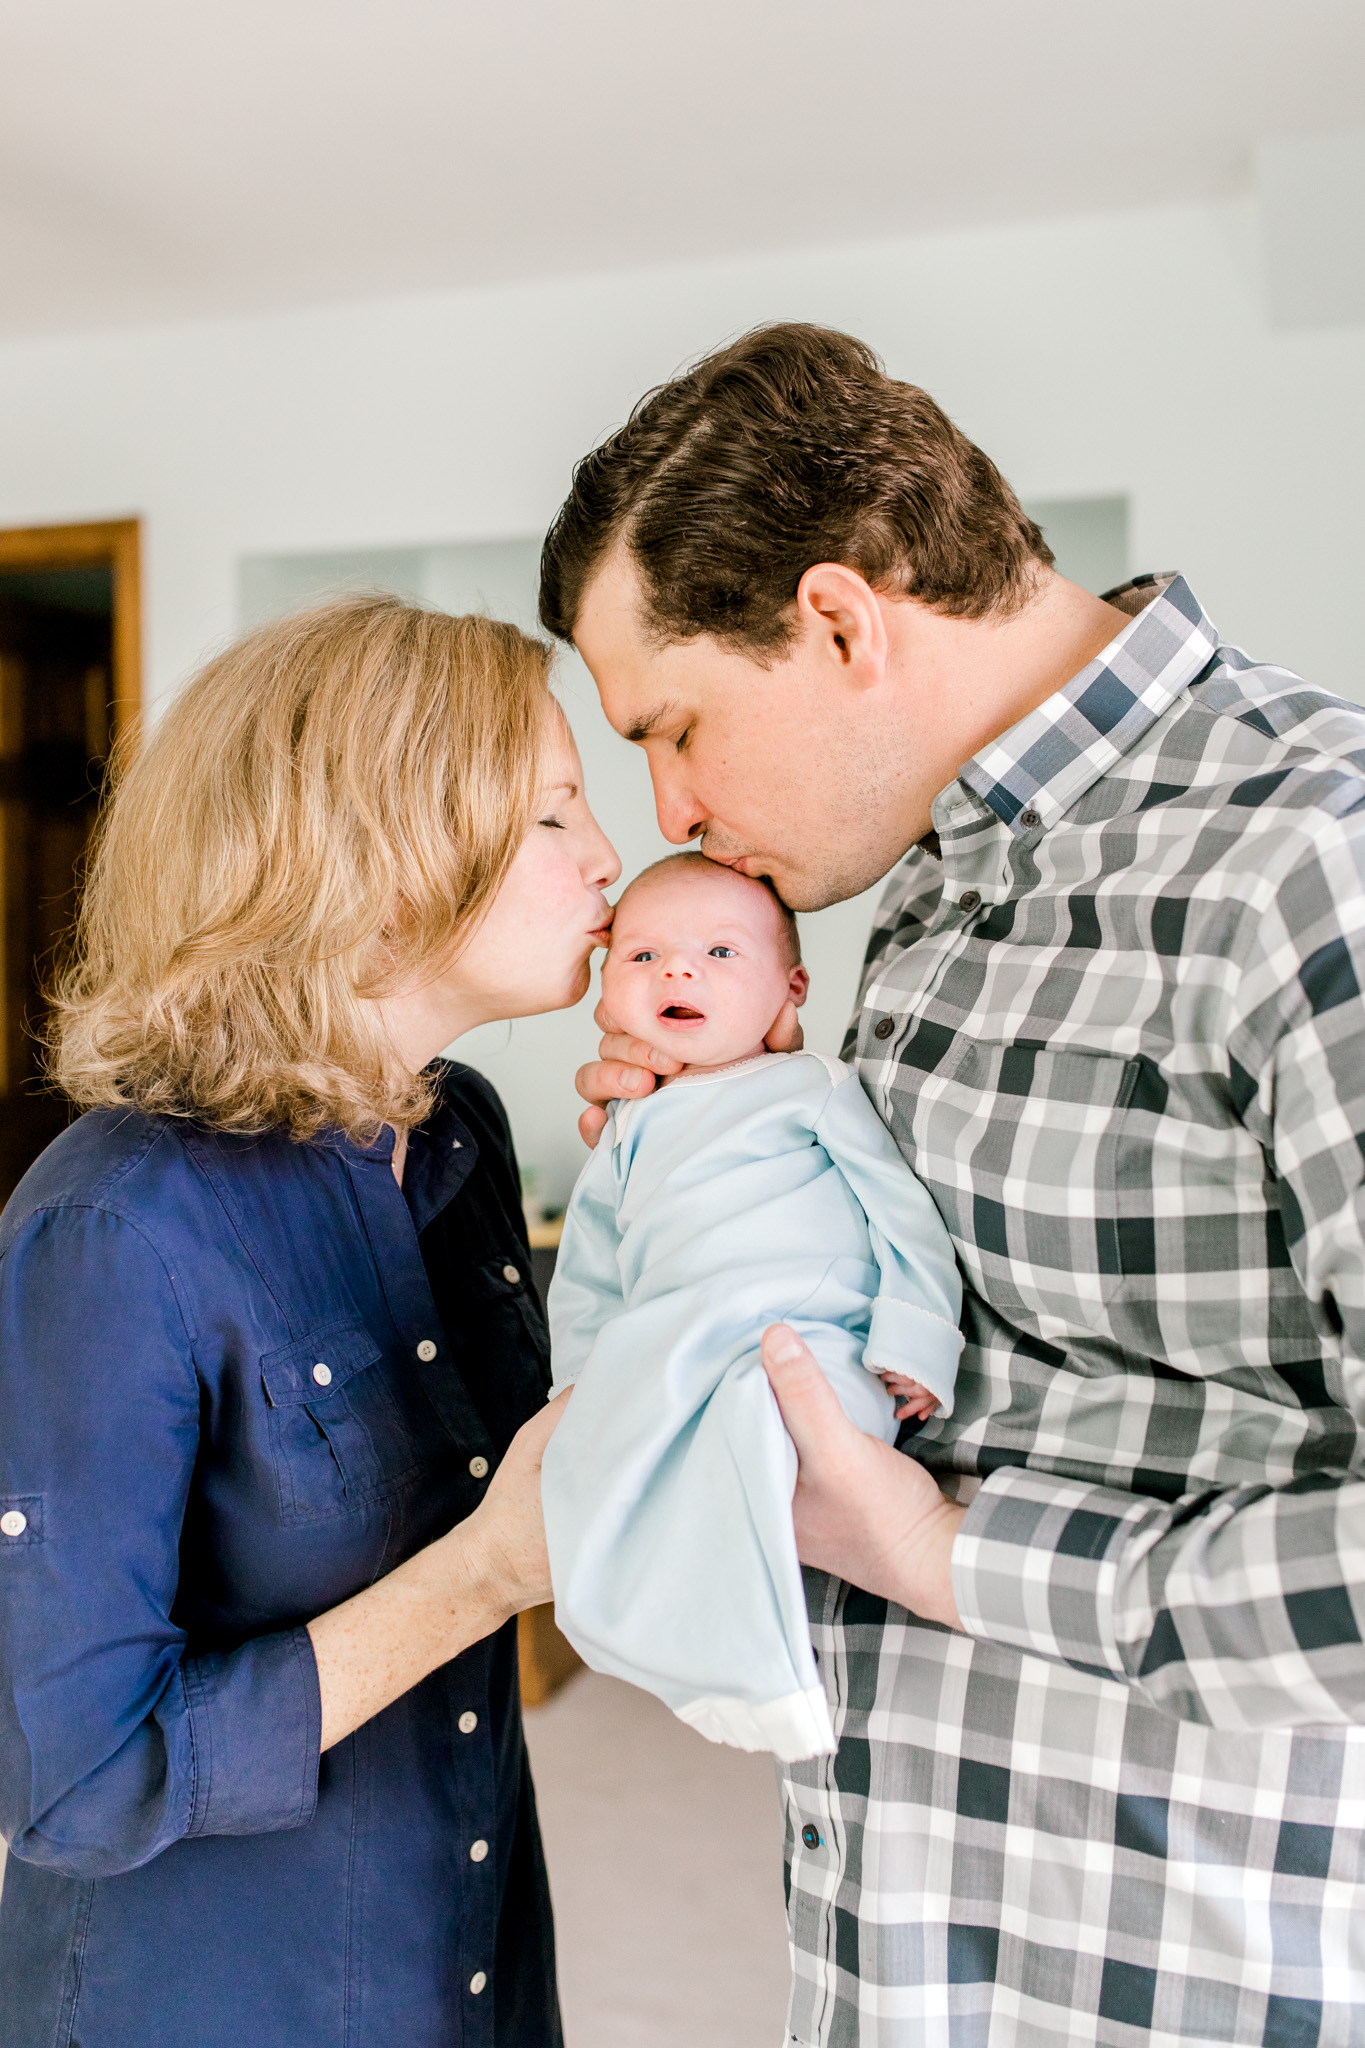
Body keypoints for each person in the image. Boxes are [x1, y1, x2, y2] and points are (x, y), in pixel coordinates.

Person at [543, 322, 1365, 2046]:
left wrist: (958, 1554)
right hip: (905, 1956)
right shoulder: (914, 893)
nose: (669, 808)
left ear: (840, 618)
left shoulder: (1316, 863)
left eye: (675, 728)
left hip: (1197, 1978)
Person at [0, 597, 619, 2048]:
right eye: (552, 816)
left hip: (461, 1961)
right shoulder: (111, 1229)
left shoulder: (457, 1136)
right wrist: (481, 1580)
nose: (606, 860)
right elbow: (72, 1782)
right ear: (379, 865)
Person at [541, 853, 960, 1760]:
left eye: (720, 953)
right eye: (644, 956)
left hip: (804, 1338)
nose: (679, 971)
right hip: (674, 1337)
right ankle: (652, 1636)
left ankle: (763, 1672)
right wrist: (577, 1389)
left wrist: (916, 1341)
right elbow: (591, 1270)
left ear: (789, 987)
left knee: (752, 1434)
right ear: (609, 997)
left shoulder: (808, 1086)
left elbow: (902, 1214)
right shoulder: (628, 1121)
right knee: (593, 1475)